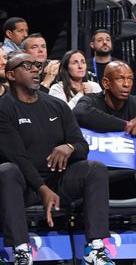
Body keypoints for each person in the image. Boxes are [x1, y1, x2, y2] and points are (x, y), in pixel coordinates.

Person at [0, 53, 116, 265]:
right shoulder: (3, 108)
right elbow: (18, 157)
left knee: (95, 168)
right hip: (25, 187)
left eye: (37, 65)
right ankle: (20, 252)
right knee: (6, 170)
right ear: (11, 75)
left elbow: (83, 146)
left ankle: (95, 249)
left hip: (58, 181)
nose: (35, 69)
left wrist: (69, 147)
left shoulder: (57, 105)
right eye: (27, 65)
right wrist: (43, 190)